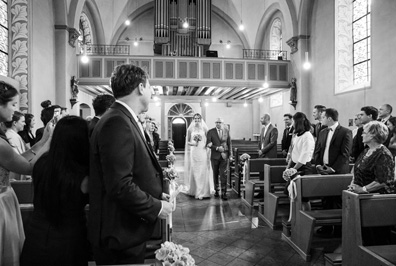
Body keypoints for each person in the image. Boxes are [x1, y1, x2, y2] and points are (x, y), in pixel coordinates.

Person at [89, 64, 173, 264]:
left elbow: (130, 169)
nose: (152, 92)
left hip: (126, 229)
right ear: (141, 87)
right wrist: (157, 207)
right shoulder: (116, 122)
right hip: (120, 233)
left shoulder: (123, 118)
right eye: (151, 86)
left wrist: (156, 193)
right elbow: (119, 185)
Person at [20, 116, 90, 266]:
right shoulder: (83, 175)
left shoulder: (42, 164)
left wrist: (48, 139)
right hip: (69, 242)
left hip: (35, 237)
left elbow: (31, 164)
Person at [0, 75, 52, 266]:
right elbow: (29, 167)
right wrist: (49, 142)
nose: (16, 110)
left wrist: (43, 141)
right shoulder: (1, 143)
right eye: (13, 104)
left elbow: (19, 159)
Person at [348, 121, 395, 245]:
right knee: (364, 235)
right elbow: (357, 170)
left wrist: (363, 189)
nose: (362, 134)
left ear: (374, 135)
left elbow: (383, 181)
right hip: (362, 198)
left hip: (377, 203)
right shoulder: (366, 151)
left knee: (376, 237)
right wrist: (353, 184)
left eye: (365, 132)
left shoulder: (383, 154)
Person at [183, 113, 214, 200]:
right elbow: (187, 142)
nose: (197, 120)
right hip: (194, 151)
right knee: (195, 169)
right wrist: (193, 143)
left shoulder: (204, 128)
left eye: (198, 119)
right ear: (193, 119)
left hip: (202, 151)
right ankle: (196, 191)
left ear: (201, 119)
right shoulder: (190, 129)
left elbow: (209, 140)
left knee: (202, 170)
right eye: (195, 119)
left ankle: (203, 192)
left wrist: (208, 145)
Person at [313, 108, 352, 175]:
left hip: (338, 170)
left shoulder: (345, 132)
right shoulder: (322, 132)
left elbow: (345, 153)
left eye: (323, 117)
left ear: (329, 119)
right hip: (323, 168)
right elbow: (317, 150)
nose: (321, 119)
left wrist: (332, 169)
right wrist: (318, 165)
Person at [206, 117, 232, 200]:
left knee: (223, 174)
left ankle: (224, 192)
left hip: (224, 155)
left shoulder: (226, 131)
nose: (218, 123)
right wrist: (217, 148)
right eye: (216, 122)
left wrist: (230, 155)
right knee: (215, 174)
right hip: (215, 156)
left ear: (223, 123)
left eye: (219, 122)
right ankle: (216, 190)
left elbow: (229, 143)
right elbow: (208, 144)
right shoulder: (210, 132)